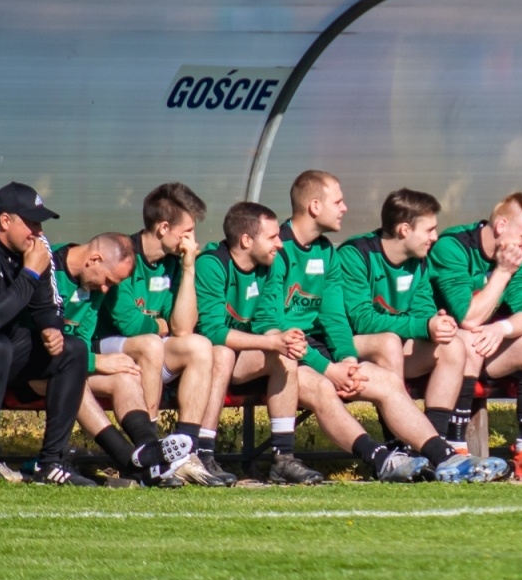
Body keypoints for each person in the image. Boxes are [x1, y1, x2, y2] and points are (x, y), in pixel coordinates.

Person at [255, 170, 475, 482]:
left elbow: (334, 317)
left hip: (316, 349)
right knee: (322, 387)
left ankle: (442, 458)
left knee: (386, 382)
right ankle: (383, 460)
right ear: (315, 206)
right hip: (279, 357)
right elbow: (273, 329)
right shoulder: (277, 249)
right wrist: (329, 370)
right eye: (338, 201)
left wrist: (346, 358)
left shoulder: (326, 249)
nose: (345, 208)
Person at [51, 232, 225, 486]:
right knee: (74, 377)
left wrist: (89, 360)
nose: (106, 289)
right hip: (38, 368)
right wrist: (95, 362)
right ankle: (132, 462)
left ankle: (151, 453)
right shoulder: (49, 270)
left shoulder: (97, 283)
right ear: (95, 259)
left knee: (126, 378)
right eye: (108, 281)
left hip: (71, 361)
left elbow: (83, 338)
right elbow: (42, 347)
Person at [428, 193, 522, 481]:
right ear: (501, 225)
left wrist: (501, 328)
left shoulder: (515, 259)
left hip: (480, 348)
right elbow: (468, 317)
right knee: (469, 339)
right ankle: (456, 448)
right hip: (435, 352)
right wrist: (501, 272)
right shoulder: (452, 247)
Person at [96, 183, 223, 481]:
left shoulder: (175, 263)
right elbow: (128, 322)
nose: (192, 240)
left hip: (150, 347)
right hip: (105, 346)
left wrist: (189, 268)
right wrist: (160, 326)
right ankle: (152, 453)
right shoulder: (123, 254)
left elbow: (182, 327)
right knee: (152, 343)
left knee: (200, 346)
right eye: (187, 231)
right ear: (164, 227)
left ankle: (186, 450)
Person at [193, 200, 326, 485]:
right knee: (223, 353)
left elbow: (267, 320)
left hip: (239, 357)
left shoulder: (271, 265)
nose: (280, 244)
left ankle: (283, 459)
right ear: (245, 240)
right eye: (272, 237)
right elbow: (212, 331)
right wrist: (270, 343)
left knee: (286, 354)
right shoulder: (212, 263)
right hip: (200, 362)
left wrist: (281, 339)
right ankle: (202, 454)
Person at [338, 188, 471, 452]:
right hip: (348, 353)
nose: (435, 237)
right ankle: (399, 445)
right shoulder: (355, 255)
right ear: (404, 230)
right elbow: (360, 320)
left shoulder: (418, 261)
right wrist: (423, 326)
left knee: (453, 346)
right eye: (429, 230)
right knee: (388, 342)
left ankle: (433, 443)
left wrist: (438, 323)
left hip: (396, 351)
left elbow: (423, 310)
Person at [0, 181, 91, 485]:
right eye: (32, 223)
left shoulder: (36, 248)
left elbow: (48, 305)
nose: (39, 232)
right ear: (5, 221)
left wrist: (51, 329)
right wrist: (29, 273)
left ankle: (51, 462)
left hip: (6, 344)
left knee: (74, 349)